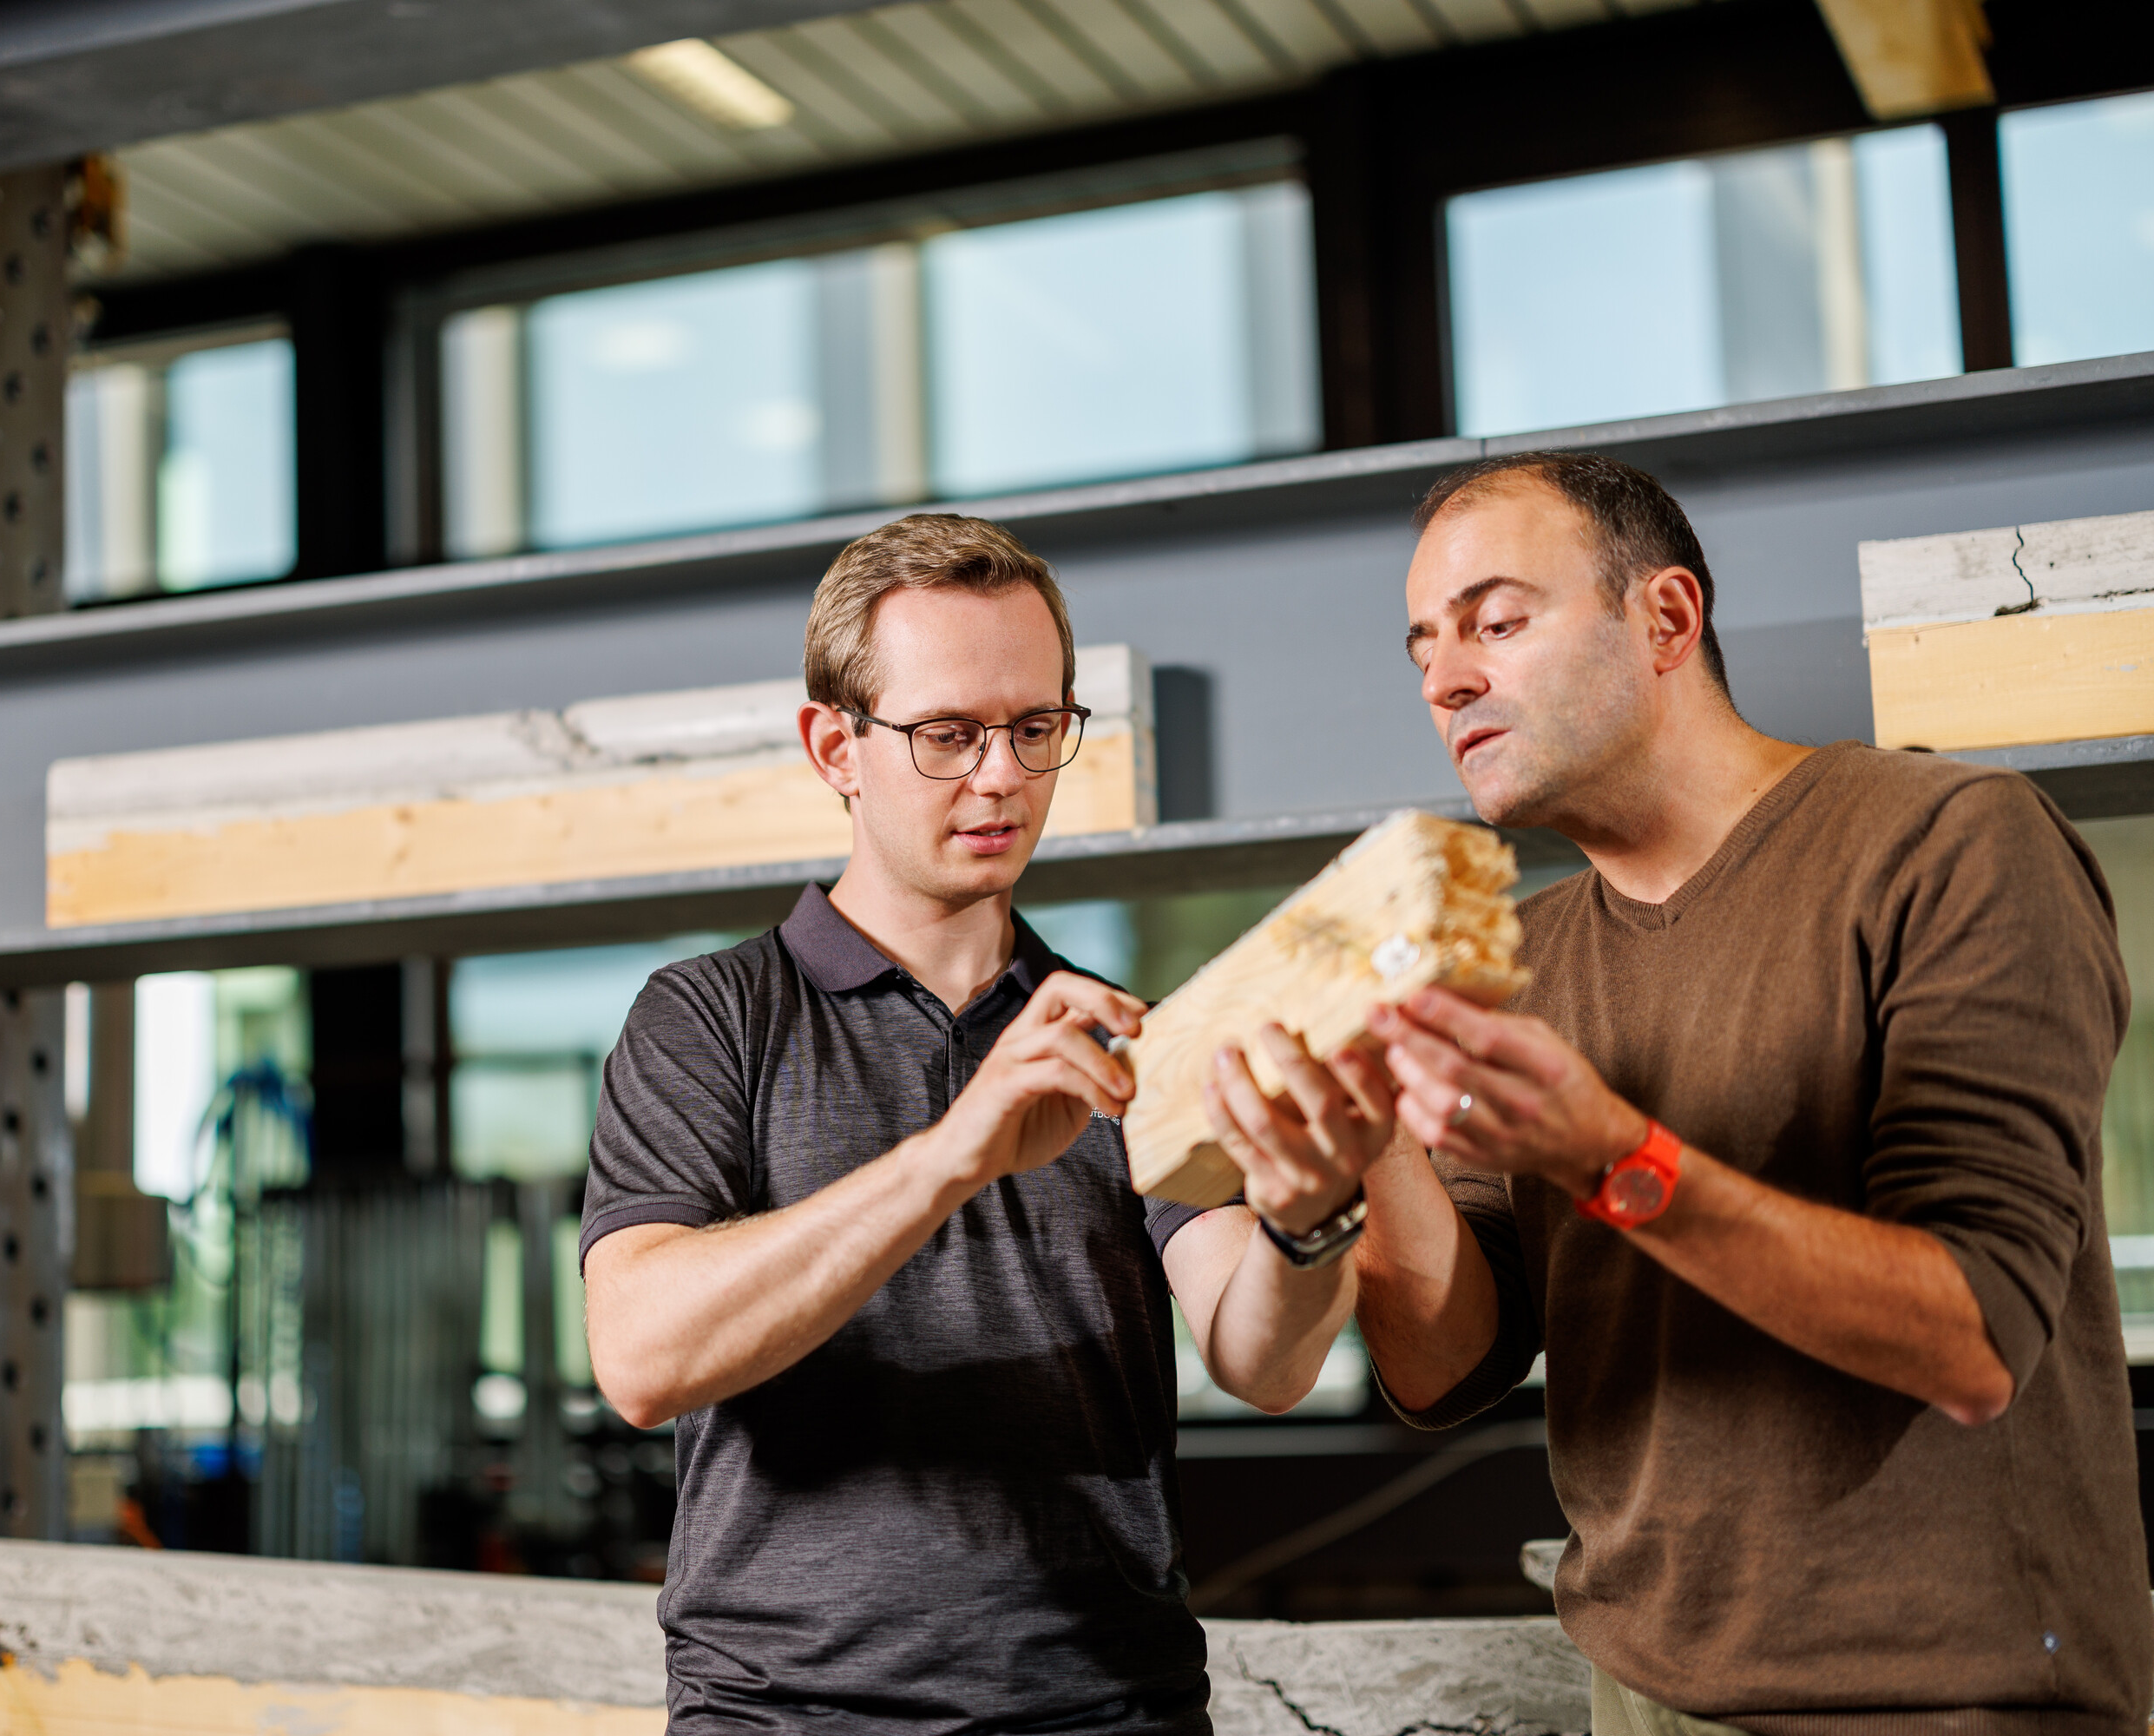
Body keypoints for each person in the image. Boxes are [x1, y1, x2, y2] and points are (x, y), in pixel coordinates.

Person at [1317, 450, 2146, 1734]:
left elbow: (1974, 1338)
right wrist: (1370, 1145)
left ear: (1666, 619)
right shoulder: (1517, 962)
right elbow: (1446, 1368)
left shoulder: (1951, 843)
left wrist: (1607, 1157)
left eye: (1497, 620)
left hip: (1951, 1694)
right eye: (1423, 645)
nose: (1446, 677)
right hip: (1644, 1691)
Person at [580, 512, 1396, 1734]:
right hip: (789, 1718)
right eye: (947, 734)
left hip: (1108, 1712)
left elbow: (1262, 1359)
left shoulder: (1132, 1039)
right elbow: (644, 1357)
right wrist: (955, 1155)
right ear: (835, 746)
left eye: (1033, 729)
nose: (1002, 775)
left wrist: (1312, 1217)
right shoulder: (710, 1018)